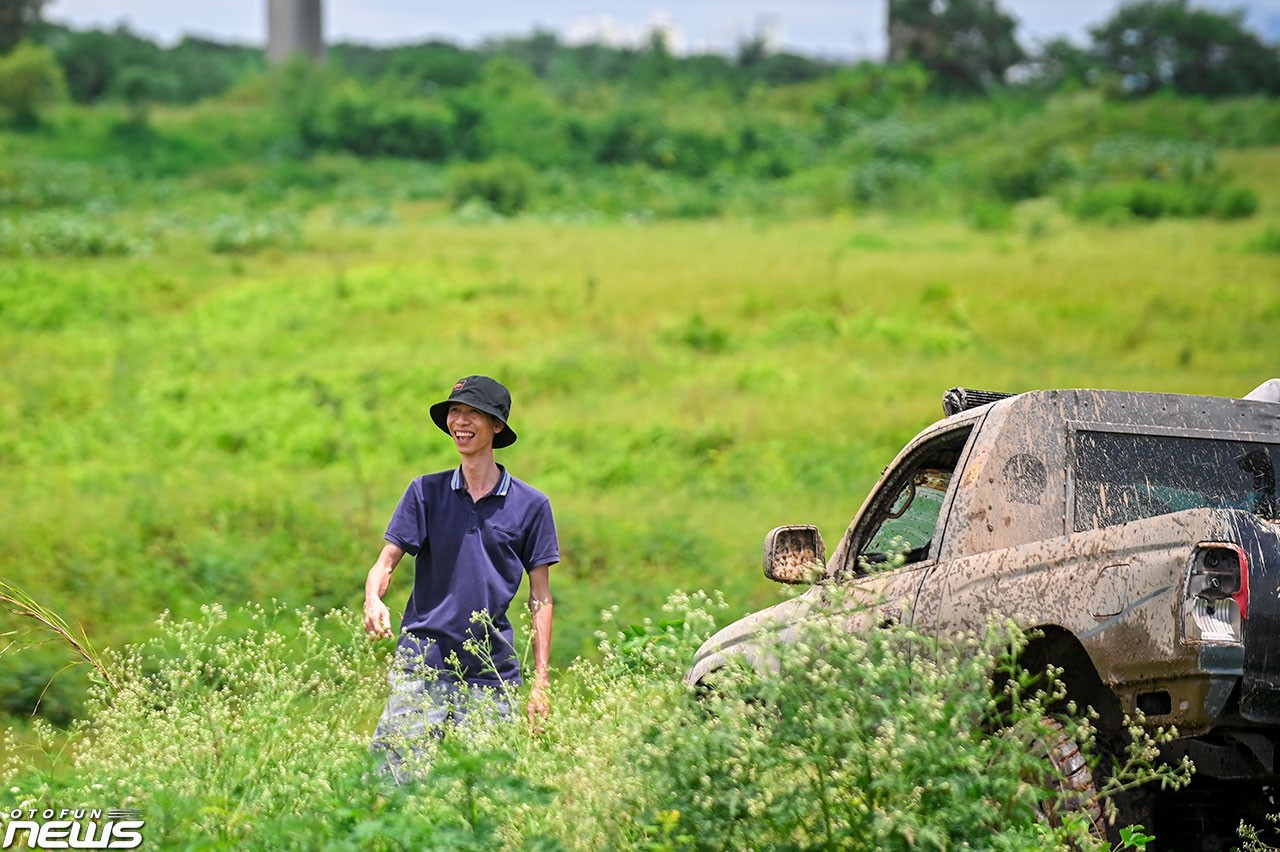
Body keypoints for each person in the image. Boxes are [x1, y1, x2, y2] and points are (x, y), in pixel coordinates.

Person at [363, 375, 558, 773]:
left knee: (488, 793)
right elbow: (385, 563)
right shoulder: (425, 492)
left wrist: (541, 681)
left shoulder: (531, 505)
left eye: (472, 413)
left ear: (497, 425)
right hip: (422, 662)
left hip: (491, 671)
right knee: (390, 783)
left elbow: (541, 597)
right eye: (455, 411)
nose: (460, 422)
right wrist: (373, 600)